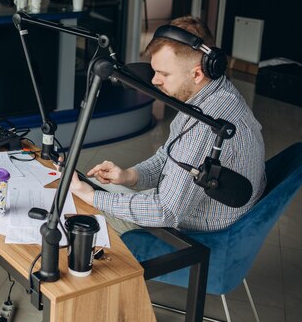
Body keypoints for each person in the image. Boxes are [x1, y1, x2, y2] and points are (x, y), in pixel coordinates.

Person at [69, 16, 266, 234]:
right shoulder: (206, 96)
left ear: (198, 73)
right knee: (87, 188)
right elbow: (169, 156)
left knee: (79, 209)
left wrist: (91, 196)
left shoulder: (208, 125)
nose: (154, 80)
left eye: (164, 74)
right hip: (175, 207)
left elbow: (167, 212)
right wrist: (130, 175)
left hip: (188, 231)